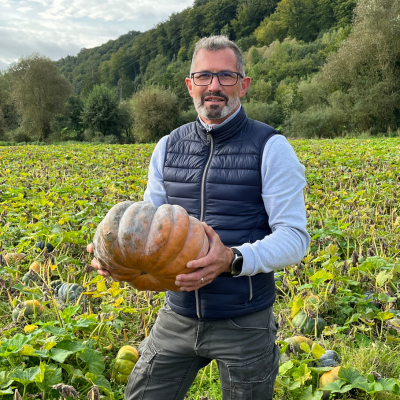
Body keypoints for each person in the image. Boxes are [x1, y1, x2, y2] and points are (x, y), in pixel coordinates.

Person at [88, 35, 310, 400]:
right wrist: (115, 255)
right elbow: (146, 225)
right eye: (204, 76)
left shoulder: (271, 147)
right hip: (177, 315)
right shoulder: (167, 146)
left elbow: (294, 238)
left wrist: (232, 259)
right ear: (190, 85)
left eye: (226, 76)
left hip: (244, 318)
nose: (214, 87)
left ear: (244, 84)